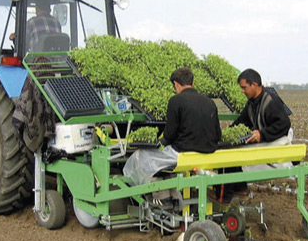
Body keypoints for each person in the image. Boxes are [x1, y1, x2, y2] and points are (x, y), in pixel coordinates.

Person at [123, 67, 221, 208]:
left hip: (183, 152)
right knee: (163, 161)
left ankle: (159, 196)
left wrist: (155, 143)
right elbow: (218, 134)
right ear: (193, 83)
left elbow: (169, 135)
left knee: (142, 155)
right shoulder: (209, 102)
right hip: (208, 150)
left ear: (176, 84)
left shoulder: (176, 101)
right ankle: (172, 194)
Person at [221, 68, 293, 203]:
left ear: (254, 84)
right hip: (267, 138)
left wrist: (262, 134)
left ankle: (225, 197)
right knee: (234, 152)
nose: (242, 91)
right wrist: (227, 135)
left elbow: (284, 124)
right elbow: (242, 121)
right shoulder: (252, 103)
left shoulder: (270, 101)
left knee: (235, 157)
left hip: (278, 140)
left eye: (244, 87)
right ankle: (240, 190)